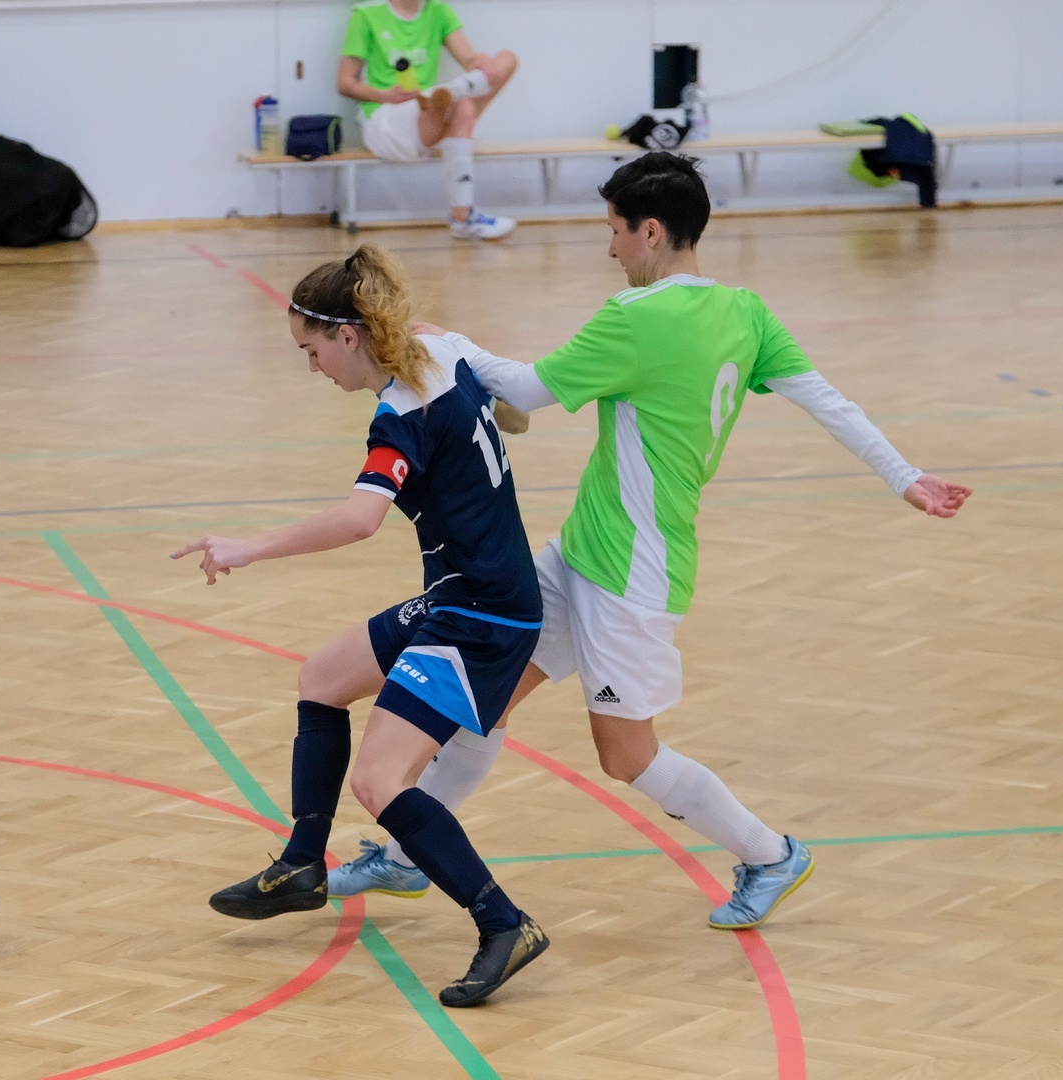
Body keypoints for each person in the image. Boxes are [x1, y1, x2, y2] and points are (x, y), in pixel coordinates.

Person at [326, 153, 974, 931]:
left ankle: (771, 854)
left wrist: (451, 342)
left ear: (652, 231)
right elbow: (827, 400)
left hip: (632, 577)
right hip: (581, 555)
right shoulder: (745, 312)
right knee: (480, 702)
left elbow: (524, 391)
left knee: (626, 755)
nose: (610, 248)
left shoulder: (635, 317)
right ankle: (406, 858)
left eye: (615, 231)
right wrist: (904, 475)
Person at [173, 246, 548, 1007]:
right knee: (322, 677)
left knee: (379, 781)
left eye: (311, 350)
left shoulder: (397, 416)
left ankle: (504, 924)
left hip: (481, 615)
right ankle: (302, 864)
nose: (311, 367)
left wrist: (248, 548)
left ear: (349, 336)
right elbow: (502, 394)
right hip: (463, 594)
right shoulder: (438, 346)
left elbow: (359, 520)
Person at [338, 0, 519, 241]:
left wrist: (481, 64)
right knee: (461, 107)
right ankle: (464, 219)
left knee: (505, 60)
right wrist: (386, 96)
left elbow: (469, 59)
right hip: (385, 119)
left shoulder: (438, 10)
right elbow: (344, 82)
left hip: (429, 115)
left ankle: (463, 218)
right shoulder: (366, 13)